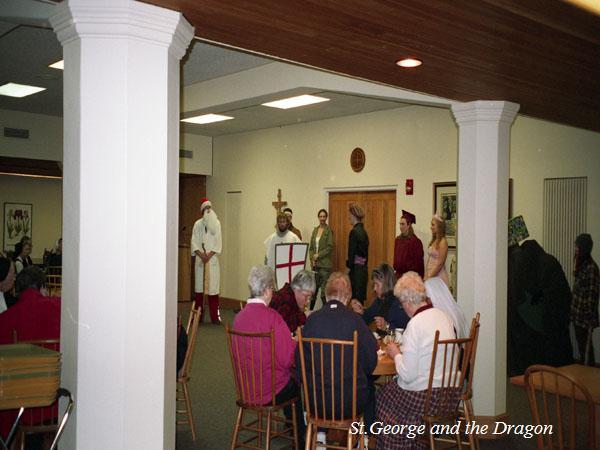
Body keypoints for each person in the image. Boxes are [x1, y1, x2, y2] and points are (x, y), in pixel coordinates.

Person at [376, 272, 457, 450]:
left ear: (408, 302)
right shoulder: (443, 317)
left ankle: (398, 444)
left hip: (426, 397)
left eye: (402, 303)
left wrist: (396, 353)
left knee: (383, 396)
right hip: (449, 394)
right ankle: (414, 441)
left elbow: (407, 373)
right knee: (393, 394)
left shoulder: (416, 323)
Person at [232, 265, 305, 445]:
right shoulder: (272, 318)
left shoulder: (237, 319)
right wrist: (295, 342)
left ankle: (292, 429)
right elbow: (288, 359)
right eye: (272, 288)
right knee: (298, 384)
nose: (272, 293)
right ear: (265, 290)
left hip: (247, 388)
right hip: (270, 390)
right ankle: (302, 440)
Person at [299, 272, 377, 430]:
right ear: (348, 297)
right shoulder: (356, 321)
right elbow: (371, 363)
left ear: (326, 295)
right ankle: (366, 437)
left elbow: (300, 364)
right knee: (370, 388)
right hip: (349, 403)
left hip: (315, 401)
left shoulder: (311, 321)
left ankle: (319, 436)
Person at [351, 263, 409, 336]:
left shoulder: (399, 303)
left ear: (386, 284)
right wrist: (360, 311)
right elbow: (367, 318)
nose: (375, 289)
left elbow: (404, 332)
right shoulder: (380, 300)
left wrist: (387, 327)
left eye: (377, 284)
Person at [191, 197, 223, 324]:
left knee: (213, 289)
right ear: (202, 210)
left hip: (212, 260)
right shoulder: (197, 224)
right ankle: (198, 317)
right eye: (205, 209)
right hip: (200, 260)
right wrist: (201, 254)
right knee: (199, 290)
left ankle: (215, 317)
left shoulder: (217, 224)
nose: (208, 211)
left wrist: (209, 255)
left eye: (209, 208)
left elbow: (218, 242)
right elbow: (194, 242)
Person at [571, 233, 599, 366]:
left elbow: (591, 297)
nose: (575, 248)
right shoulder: (581, 265)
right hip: (577, 316)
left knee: (587, 353)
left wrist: (588, 320)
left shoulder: (591, 268)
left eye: (577, 246)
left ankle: (591, 377)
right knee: (583, 351)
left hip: (585, 319)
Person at [308, 208, 334, 310]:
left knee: (324, 292)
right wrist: (312, 258)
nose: (322, 218)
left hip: (325, 266)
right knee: (313, 291)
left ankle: (326, 313)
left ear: (326, 217)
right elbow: (311, 248)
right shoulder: (315, 230)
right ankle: (309, 313)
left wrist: (318, 255)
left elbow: (329, 247)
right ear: (318, 217)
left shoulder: (328, 231)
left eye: (324, 216)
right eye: (321, 216)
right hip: (315, 266)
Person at [347, 202, 369, 303]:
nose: (349, 217)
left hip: (356, 273)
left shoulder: (354, 232)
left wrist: (347, 270)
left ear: (354, 215)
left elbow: (351, 257)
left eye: (350, 215)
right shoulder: (364, 232)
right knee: (360, 302)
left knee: (355, 302)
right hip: (363, 271)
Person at [393, 210, 424, 279]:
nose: (400, 227)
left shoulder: (416, 242)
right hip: (398, 276)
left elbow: (419, 265)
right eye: (400, 224)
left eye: (403, 224)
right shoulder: (397, 240)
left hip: (410, 278)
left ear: (409, 225)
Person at [425, 214, 449, 286]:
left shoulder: (443, 242)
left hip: (438, 275)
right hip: (430, 274)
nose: (431, 227)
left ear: (439, 226)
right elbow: (429, 260)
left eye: (433, 225)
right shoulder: (434, 240)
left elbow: (440, 263)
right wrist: (426, 274)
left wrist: (430, 276)